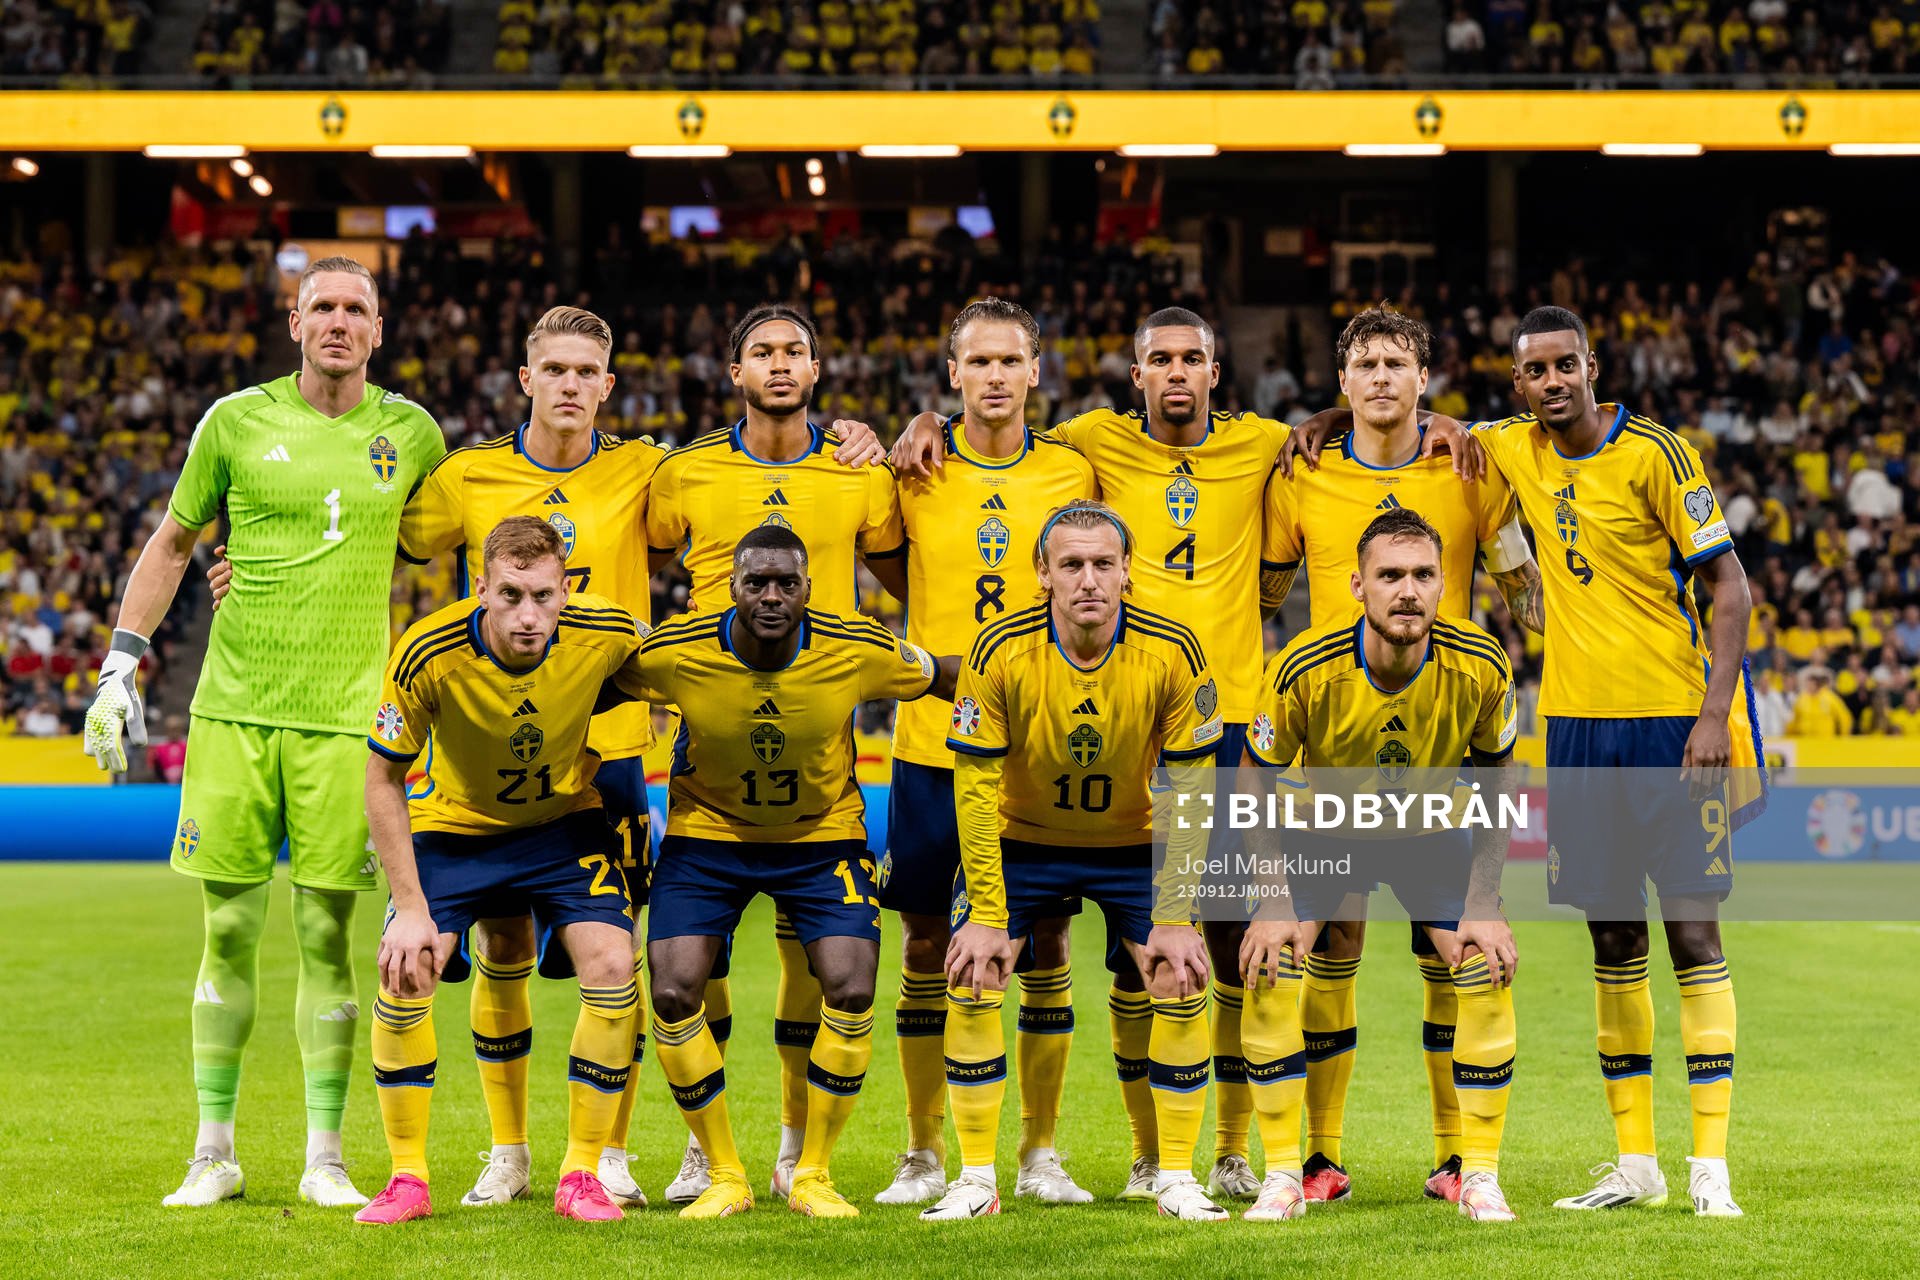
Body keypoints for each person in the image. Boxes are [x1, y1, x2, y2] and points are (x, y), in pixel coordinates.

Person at [894, 307, 1476, 1200]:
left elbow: (1323, 466)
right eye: (1158, 358)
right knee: (1126, 943)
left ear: (1215, 372)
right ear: (1135, 375)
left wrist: (1425, 421)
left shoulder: (1271, 444)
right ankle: (1120, 1154)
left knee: (1239, 941)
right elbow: (999, 436)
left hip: (1235, 722)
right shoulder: (1092, 443)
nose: (1175, 372)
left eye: (1192, 358)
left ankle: (1235, 1150)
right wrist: (927, 420)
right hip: (1126, 722)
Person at [83, 256, 445, 1209]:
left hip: (344, 724)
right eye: (320, 306)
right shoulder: (233, 422)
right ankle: (214, 1152)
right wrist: (122, 663)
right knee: (230, 929)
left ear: (379, 327)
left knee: (328, 936)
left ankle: (325, 1157)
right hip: (234, 709)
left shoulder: (412, 434)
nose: (336, 321)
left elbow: (458, 533)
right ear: (294, 323)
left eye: (353, 308)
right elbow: (172, 544)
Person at [1475, 307, 1759, 1218]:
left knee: (1692, 938)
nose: (1552, 382)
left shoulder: (1658, 455)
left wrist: (1713, 716)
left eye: (1565, 365)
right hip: (1577, 733)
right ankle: (1636, 1163)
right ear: (1517, 384)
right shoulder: (1512, 448)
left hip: (1673, 729)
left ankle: (1709, 1169)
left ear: (1592, 366)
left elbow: (1731, 588)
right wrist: (1324, 424)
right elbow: (1423, 429)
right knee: (1614, 942)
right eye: (1534, 372)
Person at [1259, 306, 1541, 1206]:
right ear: (1343, 385)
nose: (1383, 377)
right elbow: (1259, 591)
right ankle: (1312, 1161)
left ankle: (1462, 1162)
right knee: (1322, 949)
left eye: (1400, 364)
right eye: (1366, 364)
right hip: (1331, 751)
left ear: (1427, 380)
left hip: (1441, 751)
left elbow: (1525, 586)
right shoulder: (1300, 471)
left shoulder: (1470, 464)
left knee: (1453, 960)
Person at [642, 304, 905, 1204]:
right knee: (692, 973)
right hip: (709, 759)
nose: (780, 364)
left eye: (795, 350)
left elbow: (910, 583)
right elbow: (618, 558)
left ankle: (800, 1150)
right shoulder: (681, 474)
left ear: (819, 367)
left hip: (819, 763)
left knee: (819, 970)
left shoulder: (860, 473)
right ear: (734, 371)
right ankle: (702, 1153)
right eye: (762, 351)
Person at [631, 525, 958, 1219]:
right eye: (757, 583)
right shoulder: (676, 651)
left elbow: (944, 676)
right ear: (732, 587)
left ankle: (811, 1173)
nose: (772, 596)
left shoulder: (858, 648)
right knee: (673, 991)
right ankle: (723, 1174)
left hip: (820, 839)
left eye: (787, 583)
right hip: (707, 837)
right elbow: (592, 683)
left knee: (850, 985)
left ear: (811, 588)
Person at [931, 500, 1227, 1223]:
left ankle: (1174, 1176)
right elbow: (972, 792)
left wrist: (1179, 915)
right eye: (1071, 564)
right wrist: (987, 914)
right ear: (1042, 575)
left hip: (1134, 843)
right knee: (975, 971)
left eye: (1103, 563)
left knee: (1180, 974)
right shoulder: (997, 649)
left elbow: (1193, 793)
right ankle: (976, 1178)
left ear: (1128, 571)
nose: (1088, 578)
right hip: (1023, 839)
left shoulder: (1174, 650)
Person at [355, 516, 648, 1226]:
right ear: (480, 587)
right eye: (511, 595)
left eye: (545, 597)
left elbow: (694, 673)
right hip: (457, 829)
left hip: (561, 826)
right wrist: (409, 907)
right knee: (408, 966)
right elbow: (381, 779)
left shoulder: (607, 634)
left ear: (566, 591)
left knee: (614, 963)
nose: (529, 615)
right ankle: (407, 1178)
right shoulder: (428, 649)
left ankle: (581, 1173)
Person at [876, 297, 1099, 1208]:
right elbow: (895, 571)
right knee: (928, 941)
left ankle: (1039, 1153)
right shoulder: (914, 471)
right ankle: (924, 1152)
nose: (997, 376)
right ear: (953, 374)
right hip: (934, 745)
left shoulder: (1075, 468)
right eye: (980, 362)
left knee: (1043, 940)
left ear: (1035, 373)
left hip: (1040, 750)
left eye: (1013, 361)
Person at [1239, 507, 1522, 1224]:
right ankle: (1290, 1172)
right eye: (1390, 575)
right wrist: (1274, 902)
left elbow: (1497, 778)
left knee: (1482, 961)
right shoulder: (1306, 665)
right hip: (1329, 828)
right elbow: (1254, 777)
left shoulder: (1482, 664)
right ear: (1357, 585)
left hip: (1430, 830)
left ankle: (1473, 1171)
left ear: (1445, 583)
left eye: (1424, 575)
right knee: (1273, 960)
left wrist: (1485, 901)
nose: (1407, 590)